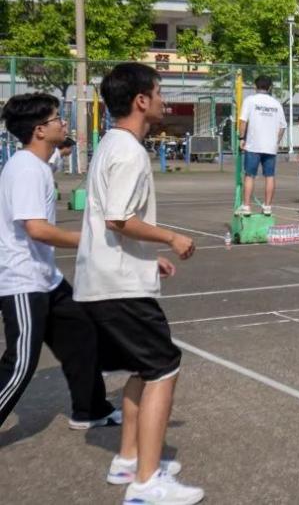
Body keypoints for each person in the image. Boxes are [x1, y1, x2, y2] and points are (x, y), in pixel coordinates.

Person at [74, 62, 201, 503]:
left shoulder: (111, 144)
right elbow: (119, 218)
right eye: (160, 92)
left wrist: (150, 257)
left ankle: (128, 459)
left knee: (143, 369)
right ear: (141, 100)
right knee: (165, 366)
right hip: (118, 286)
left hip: (106, 278)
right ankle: (146, 484)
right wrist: (171, 237)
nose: (164, 100)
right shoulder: (129, 151)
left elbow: (111, 221)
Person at [0, 94, 118, 433]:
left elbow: (52, 159)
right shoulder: (25, 170)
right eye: (56, 118)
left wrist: (61, 151)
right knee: (21, 363)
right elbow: (37, 229)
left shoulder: (37, 161)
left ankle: (91, 410)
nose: (63, 122)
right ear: (39, 130)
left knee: (82, 334)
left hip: (46, 279)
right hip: (21, 280)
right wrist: (91, 241)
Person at [237, 75, 285, 216]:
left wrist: (241, 138)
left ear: (255, 86)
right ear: (270, 87)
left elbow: (243, 121)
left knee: (249, 175)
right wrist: (276, 141)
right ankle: (267, 206)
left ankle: (246, 206)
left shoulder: (250, 100)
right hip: (270, 147)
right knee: (269, 176)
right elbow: (282, 126)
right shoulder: (276, 104)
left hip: (253, 145)